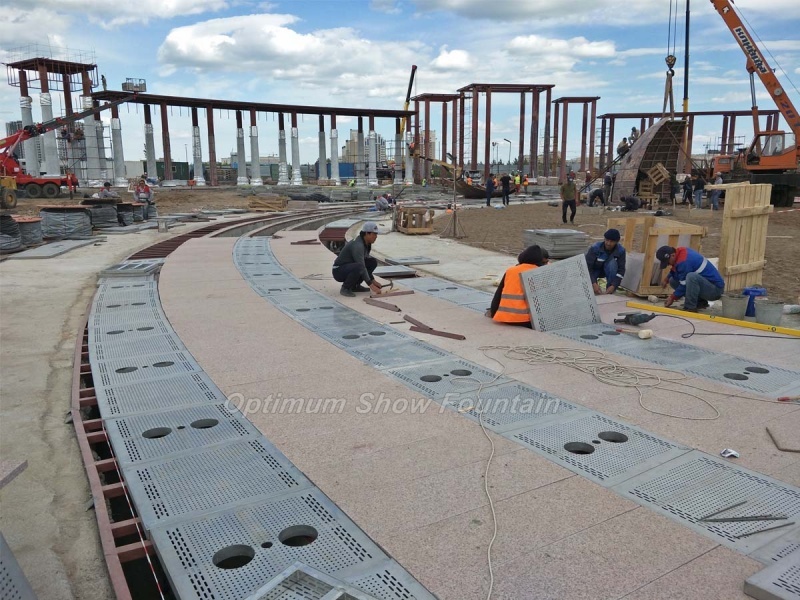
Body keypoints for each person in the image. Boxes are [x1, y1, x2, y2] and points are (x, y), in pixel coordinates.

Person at [490, 245, 549, 327]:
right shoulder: (539, 272)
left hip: (504, 317)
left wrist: (494, 313)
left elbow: (497, 296)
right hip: (527, 321)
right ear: (540, 261)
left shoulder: (511, 270)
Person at [657, 245, 725, 312]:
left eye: (667, 262)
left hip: (715, 291)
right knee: (673, 281)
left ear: (673, 255)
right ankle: (700, 302)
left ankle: (690, 307)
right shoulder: (681, 252)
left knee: (691, 277)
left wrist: (672, 297)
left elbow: (684, 284)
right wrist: (667, 279)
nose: (668, 264)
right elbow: (677, 269)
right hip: (707, 286)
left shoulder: (684, 262)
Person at [332, 222, 383, 297]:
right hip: (338, 271)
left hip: (350, 267)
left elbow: (365, 265)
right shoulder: (358, 245)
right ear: (367, 234)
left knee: (372, 262)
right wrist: (371, 286)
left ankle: (355, 286)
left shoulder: (367, 244)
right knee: (359, 266)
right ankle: (345, 288)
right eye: (374, 234)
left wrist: (373, 281)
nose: (376, 237)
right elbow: (362, 266)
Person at [585, 229, 626, 295]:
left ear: (617, 242)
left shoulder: (621, 251)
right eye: (607, 240)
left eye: (612, 241)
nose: (608, 243)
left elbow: (621, 271)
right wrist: (593, 283)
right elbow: (587, 268)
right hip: (595, 270)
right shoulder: (595, 248)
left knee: (612, 264)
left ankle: (609, 291)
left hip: (608, 270)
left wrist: (613, 285)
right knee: (588, 286)